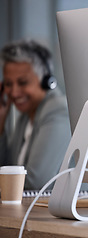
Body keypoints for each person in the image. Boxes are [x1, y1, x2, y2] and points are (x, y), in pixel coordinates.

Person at [0, 40, 71, 190]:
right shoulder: (25, 117)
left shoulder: (58, 111)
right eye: (8, 83)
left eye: (23, 82)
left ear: (46, 81)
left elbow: (36, 182)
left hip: (84, 208)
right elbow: (7, 170)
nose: (14, 92)